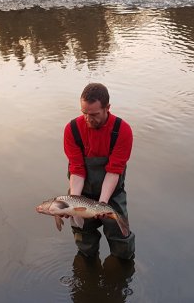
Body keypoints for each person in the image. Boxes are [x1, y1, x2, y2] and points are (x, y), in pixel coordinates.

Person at [63, 83, 135, 260]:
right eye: (84, 113)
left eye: (94, 114)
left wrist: (102, 203)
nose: (88, 119)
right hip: (81, 192)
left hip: (112, 195)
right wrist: (73, 201)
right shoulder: (72, 129)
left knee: (121, 243)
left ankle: (121, 272)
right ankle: (88, 265)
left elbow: (114, 171)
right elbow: (77, 169)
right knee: (84, 242)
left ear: (107, 108)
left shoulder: (122, 131)